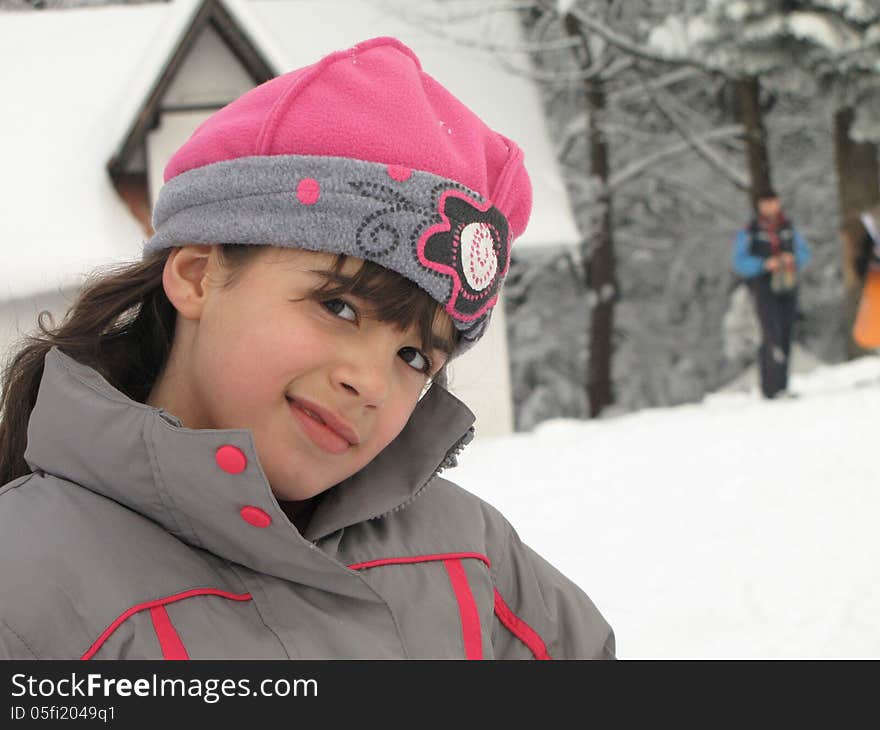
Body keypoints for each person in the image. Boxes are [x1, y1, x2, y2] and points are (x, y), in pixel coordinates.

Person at [0, 37, 614, 660]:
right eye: (339, 307)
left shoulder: (473, 560)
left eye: (414, 359)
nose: (370, 385)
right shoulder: (26, 593)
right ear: (197, 275)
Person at [733, 190, 811, 399]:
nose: (770, 206)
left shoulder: (788, 227)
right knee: (771, 332)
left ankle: (783, 385)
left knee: (786, 331)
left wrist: (791, 259)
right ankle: (770, 387)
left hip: (787, 283)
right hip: (764, 286)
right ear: (759, 206)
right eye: (766, 202)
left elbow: (804, 253)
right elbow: (739, 262)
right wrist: (764, 264)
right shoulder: (750, 230)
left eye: (773, 202)